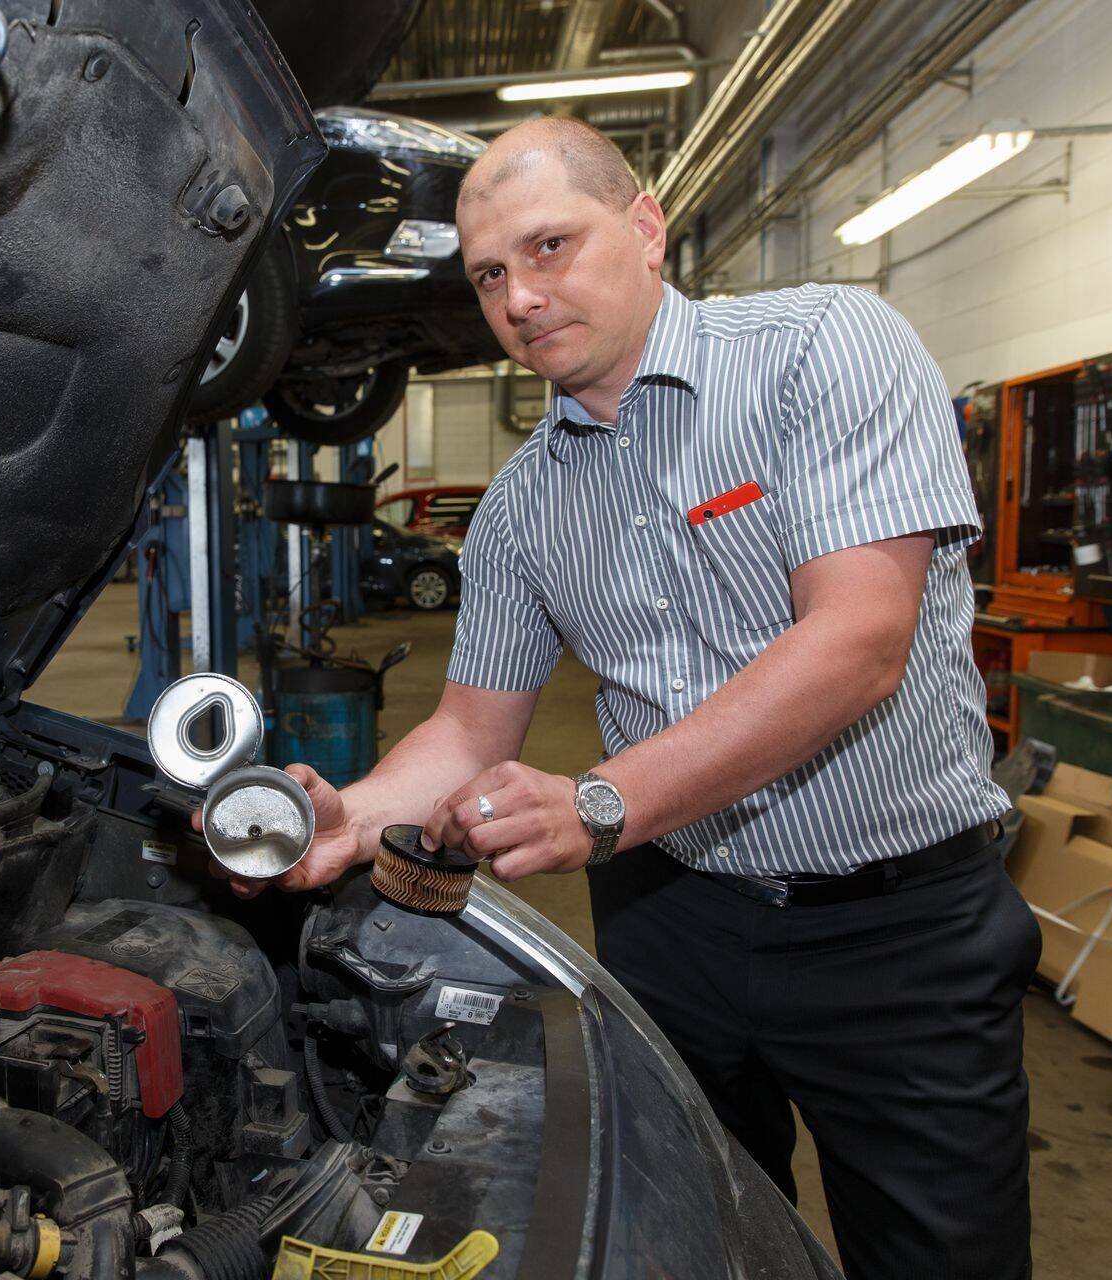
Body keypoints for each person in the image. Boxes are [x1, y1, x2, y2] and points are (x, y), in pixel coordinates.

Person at [205, 118, 1036, 1279]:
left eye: (551, 246)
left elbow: (859, 640)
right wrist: (352, 812)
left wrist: (601, 800)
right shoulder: (519, 512)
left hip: (895, 935)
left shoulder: (823, 350)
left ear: (645, 226)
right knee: (696, 1240)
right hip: (670, 918)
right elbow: (468, 730)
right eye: (491, 274)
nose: (521, 297)